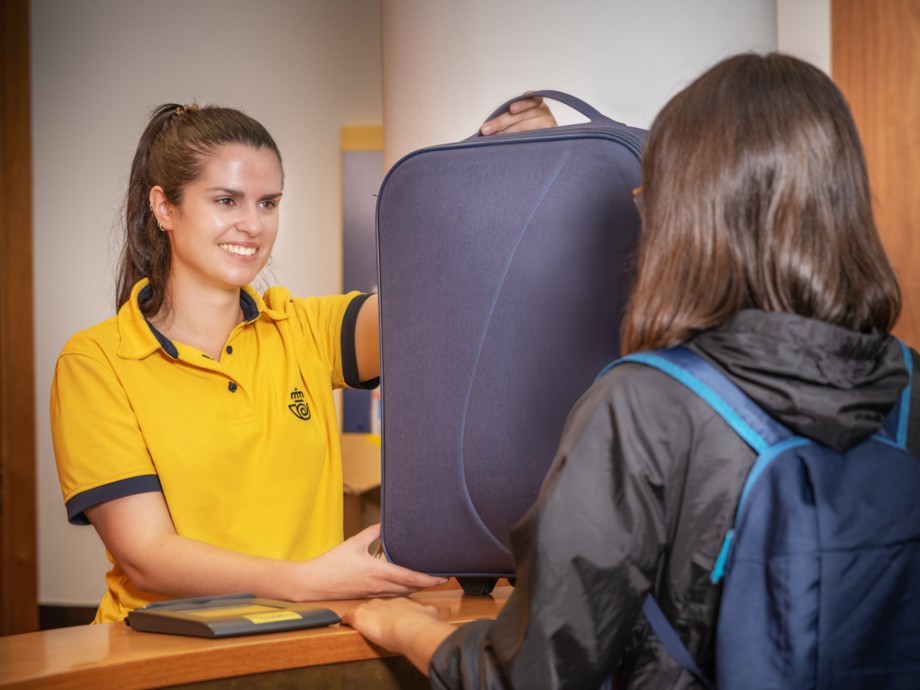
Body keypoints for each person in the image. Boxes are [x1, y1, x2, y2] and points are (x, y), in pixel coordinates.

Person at [342, 52, 920, 688]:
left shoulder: (645, 405)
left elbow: (531, 676)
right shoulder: (909, 384)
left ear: (687, 216)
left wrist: (404, 626)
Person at [50, 95, 557, 624]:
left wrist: (524, 163)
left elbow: (449, 300)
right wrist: (305, 582)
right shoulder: (96, 361)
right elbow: (146, 555)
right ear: (164, 207)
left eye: (268, 203)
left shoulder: (303, 330)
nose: (253, 224)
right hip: (161, 652)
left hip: (305, 640)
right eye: (227, 200)